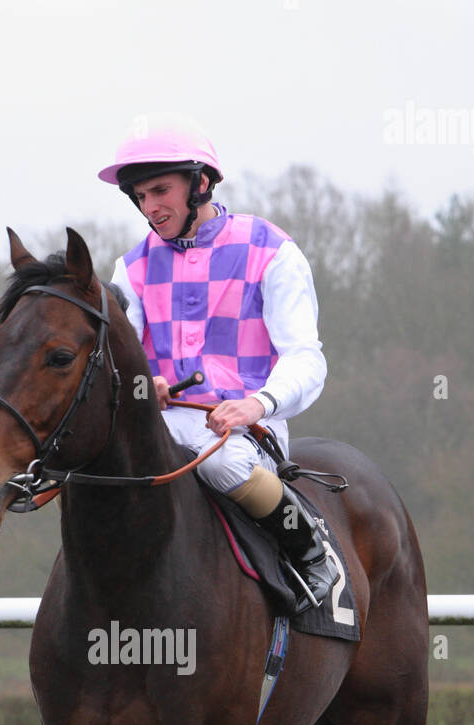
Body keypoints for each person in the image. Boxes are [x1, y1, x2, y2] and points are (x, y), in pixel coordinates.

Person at [98, 114, 339, 612]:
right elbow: (120, 361)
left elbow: (306, 359)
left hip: (241, 431)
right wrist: (147, 384)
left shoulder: (271, 250)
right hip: (159, 425)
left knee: (225, 464)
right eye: (141, 196)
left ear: (201, 182)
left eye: (160, 190)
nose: (150, 207)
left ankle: (310, 551)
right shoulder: (131, 267)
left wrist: (256, 405)